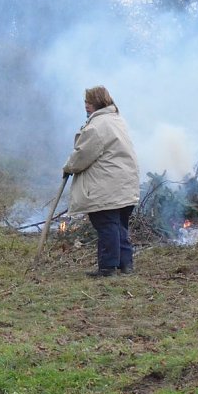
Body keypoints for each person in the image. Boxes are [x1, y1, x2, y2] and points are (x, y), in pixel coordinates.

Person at [63, 86, 140, 277]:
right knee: (119, 225)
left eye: (89, 102)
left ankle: (107, 268)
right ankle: (125, 265)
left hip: (107, 186)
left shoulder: (97, 126)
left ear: (98, 102)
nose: (86, 106)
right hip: (125, 183)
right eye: (85, 102)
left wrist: (68, 167)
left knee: (106, 225)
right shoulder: (116, 119)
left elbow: (82, 155)